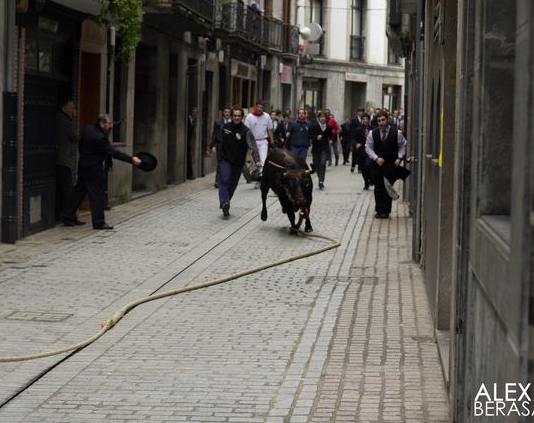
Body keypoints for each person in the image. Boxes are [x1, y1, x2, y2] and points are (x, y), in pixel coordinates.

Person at [64, 114, 141, 229]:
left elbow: (80, 145)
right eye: (109, 124)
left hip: (83, 166)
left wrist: (86, 157)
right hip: (94, 169)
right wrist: (131, 159)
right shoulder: (100, 138)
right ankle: (99, 222)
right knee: (97, 195)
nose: (112, 126)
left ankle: (67, 216)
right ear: (102, 124)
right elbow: (113, 152)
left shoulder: (87, 130)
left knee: (79, 191)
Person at [217, 107, 261, 217]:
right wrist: (211, 147)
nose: (236, 118)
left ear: (242, 117)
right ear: (232, 116)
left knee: (233, 184)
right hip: (225, 159)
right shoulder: (225, 127)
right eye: (235, 115)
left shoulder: (246, 131)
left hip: (238, 162)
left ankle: (226, 202)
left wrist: (257, 160)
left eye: (238, 116)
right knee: (225, 180)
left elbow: (253, 146)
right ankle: (224, 202)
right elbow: (218, 139)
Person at [365, 111, 406, 219]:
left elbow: (402, 146)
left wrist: (399, 158)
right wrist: (376, 158)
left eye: (383, 120)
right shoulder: (372, 133)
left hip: (390, 164)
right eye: (379, 121)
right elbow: (368, 148)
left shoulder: (397, 133)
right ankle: (379, 210)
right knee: (378, 187)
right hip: (376, 165)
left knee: (388, 187)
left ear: (387, 120)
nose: (381, 123)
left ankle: (386, 211)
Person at [56, 99, 81, 224]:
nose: (73, 110)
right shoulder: (65, 121)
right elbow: (75, 138)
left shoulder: (61, 119)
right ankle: (68, 217)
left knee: (65, 189)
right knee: (68, 190)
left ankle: (68, 216)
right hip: (64, 160)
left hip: (61, 159)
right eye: (72, 108)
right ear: (65, 107)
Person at [244, 100, 273, 186]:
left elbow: (270, 129)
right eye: (258, 107)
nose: (260, 109)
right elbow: (246, 131)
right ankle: (257, 178)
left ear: (263, 108)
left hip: (263, 141)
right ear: (255, 107)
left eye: (261, 107)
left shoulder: (267, 116)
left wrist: (272, 141)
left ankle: (262, 179)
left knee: (263, 160)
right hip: (253, 143)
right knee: (255, 162)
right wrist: (247, 143)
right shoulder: (250, 117)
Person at [209, 106, 232, 188]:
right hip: (220, 145)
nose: (227, 114)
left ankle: (228, 180)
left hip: (230, 146)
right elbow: (214, 134)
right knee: (220, 163)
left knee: (229, 163)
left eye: (228, 112)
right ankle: (217, 181)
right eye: (225, 112)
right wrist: (213, 145)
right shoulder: (218, 122)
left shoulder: (233, 122)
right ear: (223, 113)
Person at [308, 111, 332, 190]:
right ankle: (320, 177)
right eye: (321, 117)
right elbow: (309, 136)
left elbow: (331, 135)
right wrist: (316, 137)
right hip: (316, 148)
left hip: (324, 148)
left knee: (322, 164)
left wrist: (331, 140)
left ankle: (321, 181)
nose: (322, 118)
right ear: (318, 118)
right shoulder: (313, 126)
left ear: (326, 118)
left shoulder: (328, 126)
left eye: (324, 117)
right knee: (317, 164)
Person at [352, 113, 372, 189]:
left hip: (370, 151)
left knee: (368, 166)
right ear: (362, 120)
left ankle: (370, 179)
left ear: (369, 120)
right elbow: (353, 139)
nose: (365, 120)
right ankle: (366, 182)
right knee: (363, 168)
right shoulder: (358, 129)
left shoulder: (373, 129)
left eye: (367, 119)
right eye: (364, 119)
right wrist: (356, 144)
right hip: (361, 151)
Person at [187, 108, 197, 180]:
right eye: (193, 112)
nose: (195, 114)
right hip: (186, 142)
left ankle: (190, 174)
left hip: (189, 142)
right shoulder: (188, 119)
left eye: (196, 112)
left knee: (189, 158)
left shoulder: (194, 120)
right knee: (188, 158)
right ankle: (189, 174)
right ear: (190, 112)